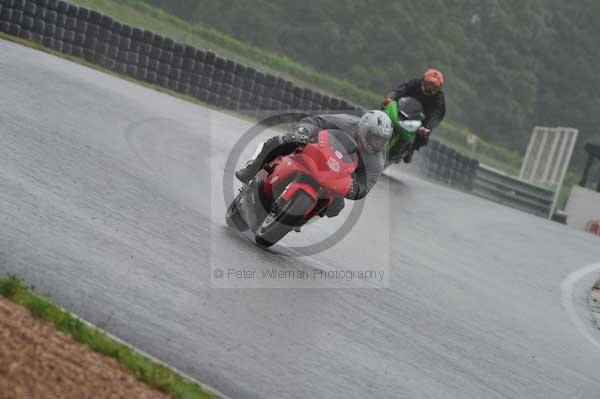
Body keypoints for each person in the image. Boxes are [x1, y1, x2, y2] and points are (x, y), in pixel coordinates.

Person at [235, 110, 393, 217]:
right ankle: (251, 169)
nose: (378, 144)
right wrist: (303, 132)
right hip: (319, 150)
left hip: (339, 174)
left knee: (335, 209)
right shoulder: (345, 122)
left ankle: (302, 215)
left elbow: (365, 185)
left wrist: (353, 189)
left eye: (382, 140)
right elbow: (316, 121)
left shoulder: (377, 159)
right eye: (375, 138)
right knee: (283, 141)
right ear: (364, 130)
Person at [383, 69, 446, 163]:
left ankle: (410, 149)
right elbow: (399, 90)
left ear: (438, 87)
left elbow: (437, 115)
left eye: (433, 86)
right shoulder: (414, 83)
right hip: (402, 108)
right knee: (384, 109)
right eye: (428, 83)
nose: (429, 87)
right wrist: (390, 98)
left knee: (424, 135)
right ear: (423, 80)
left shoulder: (439, 98)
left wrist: (427, 127)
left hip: (421, 118)